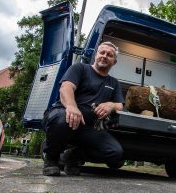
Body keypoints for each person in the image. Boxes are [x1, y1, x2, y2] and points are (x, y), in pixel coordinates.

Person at [42, 41, 124, 176]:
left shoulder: (113, 83)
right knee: (61, 119)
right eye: (102, 52)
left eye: (109, 55)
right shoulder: (80, 68)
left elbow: (120, 105)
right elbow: (66, 88)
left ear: (114, 61)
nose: (104, 56)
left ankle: (72, 156)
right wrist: (72, 107)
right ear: (96, 55)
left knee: (115, 152)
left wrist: (111, 105)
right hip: (65, 118)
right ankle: (52, 159)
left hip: (88, 128)